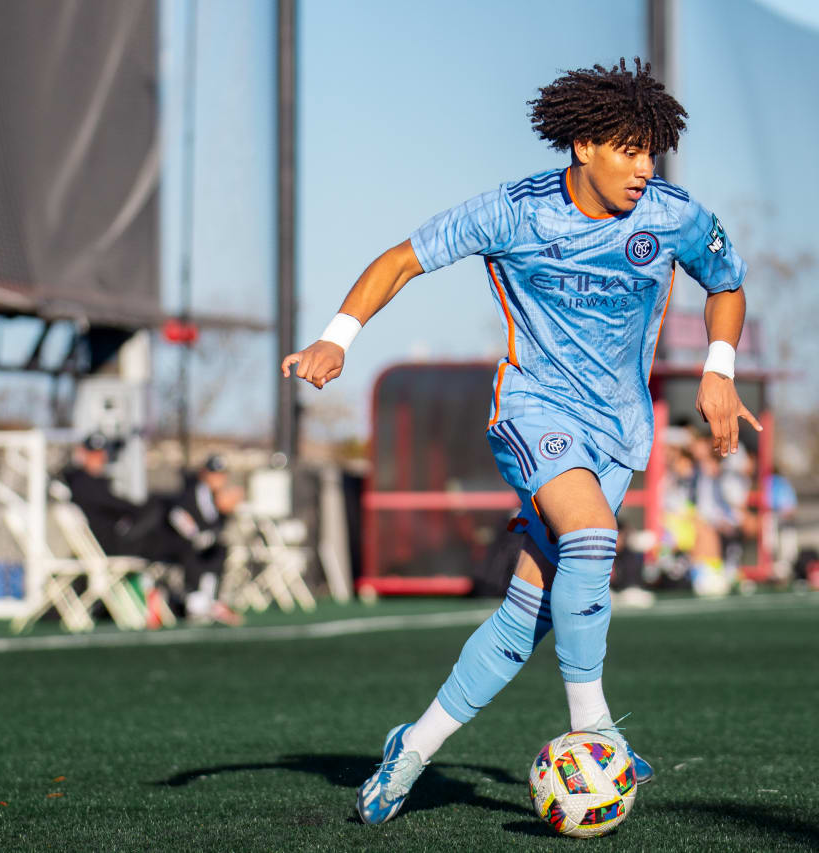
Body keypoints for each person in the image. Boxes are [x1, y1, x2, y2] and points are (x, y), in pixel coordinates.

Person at [281, 58, 760, 826]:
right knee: (595, 535)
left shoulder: (671, 215)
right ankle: (594, 727)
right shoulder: (514, 211)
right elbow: (404, 258)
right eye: (628, 150)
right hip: (533, 412)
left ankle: (412, 746)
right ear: (583, 147)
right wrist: (337, 338)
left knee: (529, 613)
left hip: (619, 431)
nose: (644, 168)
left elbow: (727, 281)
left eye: (651, 152)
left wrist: (719, 369)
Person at [165, 455, 244, 624]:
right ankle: (196, 602)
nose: (219, 479)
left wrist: (226, 511)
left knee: (220, 549)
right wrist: (196, 534)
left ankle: (210, 600)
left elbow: (216, 525)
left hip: (205, 546)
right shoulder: (193, 491)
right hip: (178, 543)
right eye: (215, 474)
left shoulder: (216, 495)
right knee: (196, 549)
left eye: (222, 475)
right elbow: (177, 515)